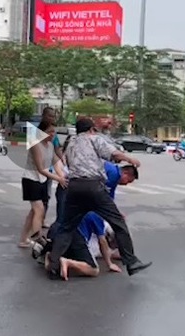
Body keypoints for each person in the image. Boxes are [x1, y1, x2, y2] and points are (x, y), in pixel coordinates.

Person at [47, 118, 151, 279]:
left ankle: (54, 264)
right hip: (93, 186)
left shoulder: (71, 143)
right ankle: (131, 261)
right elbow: (113, 153)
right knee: (118, 223)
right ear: (91, 129)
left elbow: (66, 161)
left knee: (66, 227)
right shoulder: (94, 139)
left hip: (73, 188)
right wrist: (130, 160)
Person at [18, 120, 67, 248]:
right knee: (39, 209)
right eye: (49, 132)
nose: (52, 135)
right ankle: (38, 241)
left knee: (34, 211)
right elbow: (40, 168)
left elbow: (56, 162)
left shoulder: (50, 146)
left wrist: (63, 175)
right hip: (31, 179)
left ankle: (23, 239)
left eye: (54, 132)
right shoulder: (35, 145)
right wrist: (58, 178)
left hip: (42, 181)